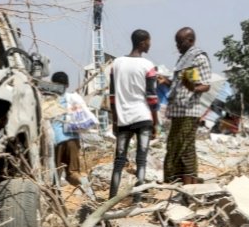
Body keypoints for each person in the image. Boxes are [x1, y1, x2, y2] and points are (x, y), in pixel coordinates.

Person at [108, 29, 159, 203]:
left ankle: (111, 198)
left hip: (123, 119)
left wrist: (115, 120)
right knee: (141, 160)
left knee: (119, 161)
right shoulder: (148, 66)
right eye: (149, 41)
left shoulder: (116, 63)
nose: (150, 44)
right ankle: (137, 199)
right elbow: (152, 98)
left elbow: (112, 97)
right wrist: (156, 122)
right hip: (143, 117)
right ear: (143, 42)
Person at [160, 27, 211, 185]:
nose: (177, 46)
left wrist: (193, 88)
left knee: (185, 147)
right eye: (176, 43)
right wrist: (166, 81)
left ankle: (190, 184)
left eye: (180, 42)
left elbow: (205, 85)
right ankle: (175, 182)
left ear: (190, 40)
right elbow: (180, 85)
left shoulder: (198, 57)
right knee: (174, 146)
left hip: (189, 111)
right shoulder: (184, 59)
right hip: (177, 110)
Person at [50, 71, 96, 199]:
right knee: (73, 174)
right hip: (73, 140)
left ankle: (56, 204)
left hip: (56, 140)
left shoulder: (50, 99)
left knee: (54, 175)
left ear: (53, 84)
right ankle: (91, 196)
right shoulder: (73, 98)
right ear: (68, 84)